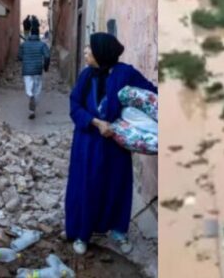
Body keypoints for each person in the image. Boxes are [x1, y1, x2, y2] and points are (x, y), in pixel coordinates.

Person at [65, 32, 157, 256]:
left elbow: (150, 94)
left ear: (101, 52)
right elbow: (75, 106)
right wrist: (96, 123)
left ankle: (117, 231)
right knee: (86, 186)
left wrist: (133, 121)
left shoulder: (126, 73)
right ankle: (82, 234)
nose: (86, 51)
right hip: (88, 143)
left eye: (90, 48)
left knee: (116, 185)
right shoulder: (86, 76)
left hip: (115, 144)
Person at [18, 25, 50, 119]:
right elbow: (47, 56)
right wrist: (46, 67)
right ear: (38, 34)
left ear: (30, 33)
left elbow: (19, 57)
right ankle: (32, 109)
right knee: (37, 89)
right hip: (37, 69)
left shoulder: (24, 44)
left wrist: (26, 59)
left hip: (27, 70)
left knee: (29, 88)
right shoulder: (42, 44)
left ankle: (30, 96)